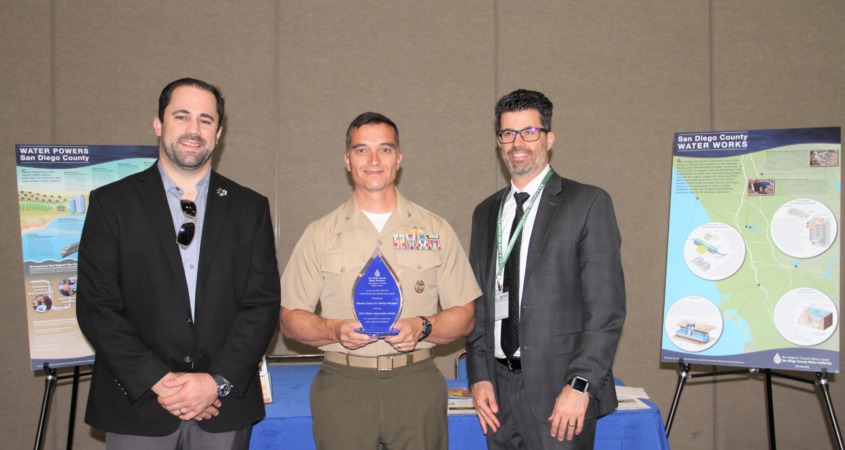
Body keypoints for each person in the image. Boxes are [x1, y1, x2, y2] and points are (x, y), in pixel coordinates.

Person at [77, 78, 280, 449]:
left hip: (222, 407)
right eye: (181, 116)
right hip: (139, 404)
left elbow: (261, 305)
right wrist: (162, 382)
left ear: (218, 133)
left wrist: (213, 382)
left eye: (205, 120)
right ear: (159, 124)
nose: (193, 129)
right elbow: (96, 307)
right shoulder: (112, 204)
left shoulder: (249, 208)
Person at [279, 112, 481, 450]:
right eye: (361, 150)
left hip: (415, 386)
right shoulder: (320, 235)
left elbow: (467, 314)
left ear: (398, 159)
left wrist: (424, 327)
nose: (374, 160)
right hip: (343, 387)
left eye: (385, 150)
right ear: (347, 160)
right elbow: (288, 319)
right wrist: (333, 330)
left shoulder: (434, 231)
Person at [465, 89, 626, 449]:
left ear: (549, 138)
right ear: (498, 142)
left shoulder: (588, 203)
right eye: (508, 133)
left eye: (529, 132)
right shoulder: (485, 213)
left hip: (561, 393)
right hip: (498, 395)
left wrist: (581, 384)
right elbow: (477, 304)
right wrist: (479, 376)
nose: (517, 142)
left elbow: (606, 311)